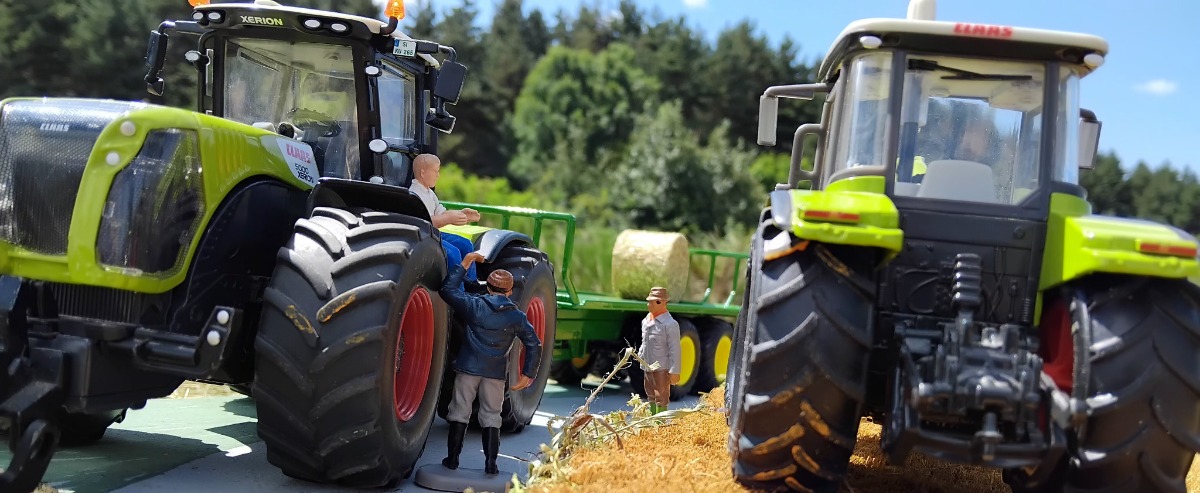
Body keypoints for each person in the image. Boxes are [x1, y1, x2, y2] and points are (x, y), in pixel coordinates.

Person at [439, 251, 542, 475]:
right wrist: (528, 373)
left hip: (468, 369)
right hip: (495, 374)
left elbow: (448, 290)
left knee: (459, 412)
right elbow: (534, 344)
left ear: (488, 288)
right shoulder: (517, 317)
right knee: (492, 416)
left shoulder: (475, 305)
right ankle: (491, 464)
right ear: (510, 291)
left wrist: (465, 263)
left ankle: (452, 460)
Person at [408, 153, 482, 283]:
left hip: (434, 233)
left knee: (465, 244)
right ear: (423, 173)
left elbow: (440, 212)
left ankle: (471, 282)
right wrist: (448, 219)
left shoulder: (429, 193)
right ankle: (456, 288)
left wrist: (461, 214)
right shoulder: (415, 194)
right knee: (453, 253)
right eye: (435, 171)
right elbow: (425, 221)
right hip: (425, 236)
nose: (438, 175)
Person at [638, 286, 681, 415]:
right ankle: (651, 417)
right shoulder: (646, 321)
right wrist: (640, 355)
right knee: (649, 392)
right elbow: (645, 342)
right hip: (647, 365)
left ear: (661, 303)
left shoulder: (670, 324)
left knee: (661, 395)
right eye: (649, 302)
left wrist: (674, 371)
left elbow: (675, 349)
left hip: (661, 367)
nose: (649, 305)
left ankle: (660, 420)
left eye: (652, 302)